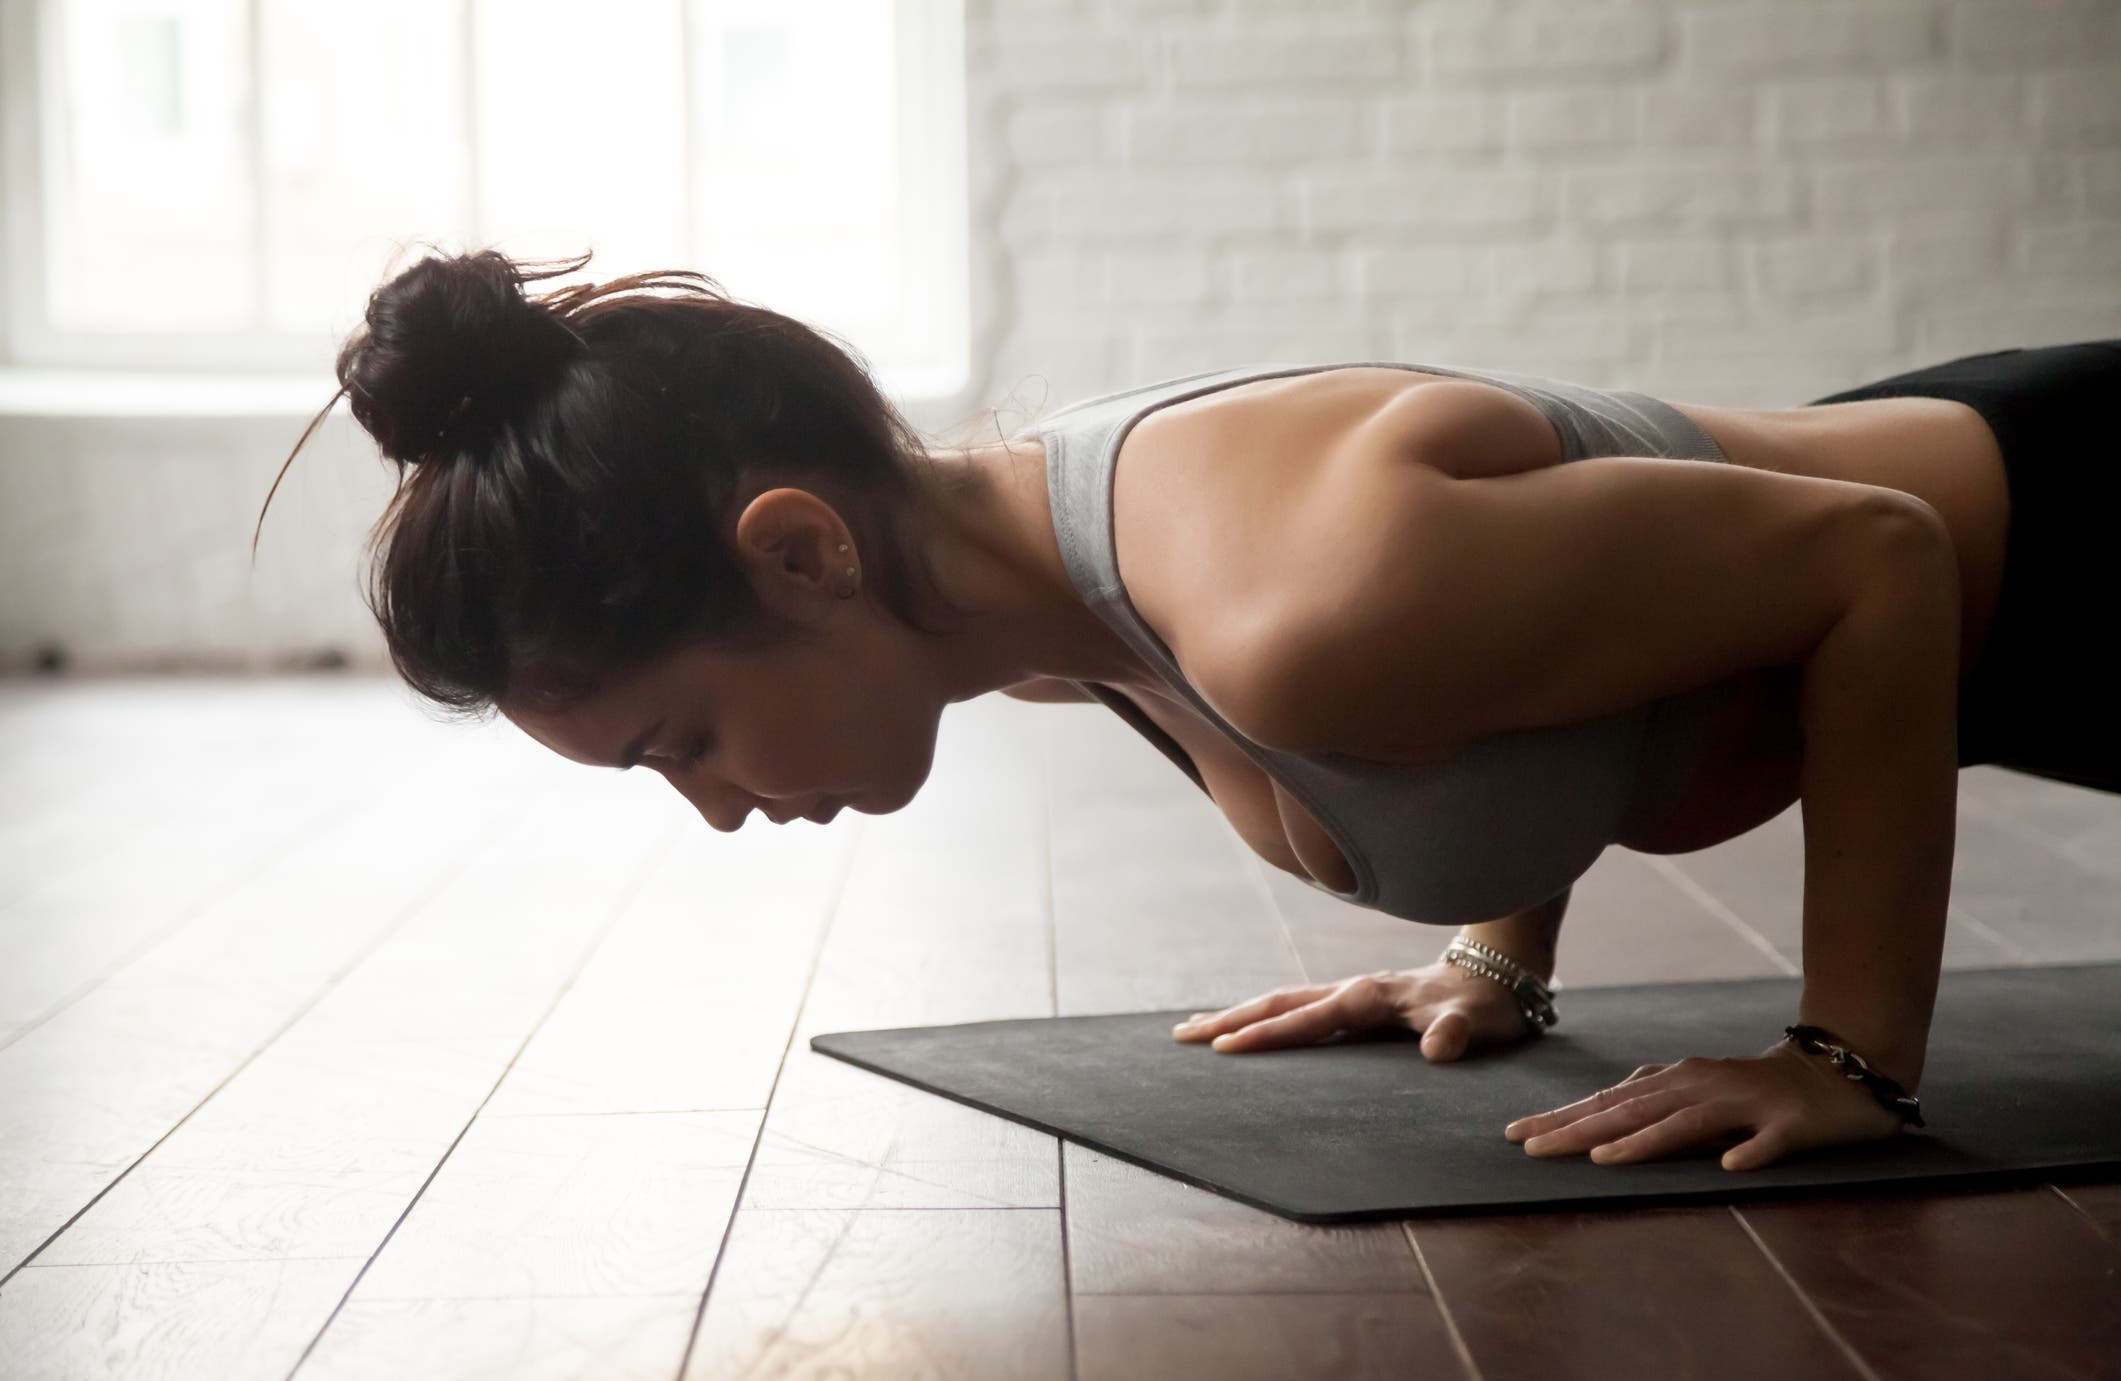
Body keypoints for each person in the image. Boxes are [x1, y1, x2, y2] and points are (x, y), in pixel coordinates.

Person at [266, 247, 2117, 1173]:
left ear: (801, 552)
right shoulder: (1050, 602)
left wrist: (1848, 1056)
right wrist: (1496, 955)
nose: (718, 812)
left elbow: (1878, 563)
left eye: (679, 741)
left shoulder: (1290, 599)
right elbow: (1560, 652)